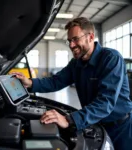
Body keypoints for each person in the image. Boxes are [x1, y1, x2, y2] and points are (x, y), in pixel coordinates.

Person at [13, 17, 132, 150]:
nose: (71, 45)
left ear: (90, 37)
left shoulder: (110, 58)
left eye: (75, 39)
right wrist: (29, 83)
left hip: (120, 128)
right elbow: (56, 81)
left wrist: (70, 119)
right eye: (69, 40)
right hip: (96, 124)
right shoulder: (76, 64)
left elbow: (106, 102)